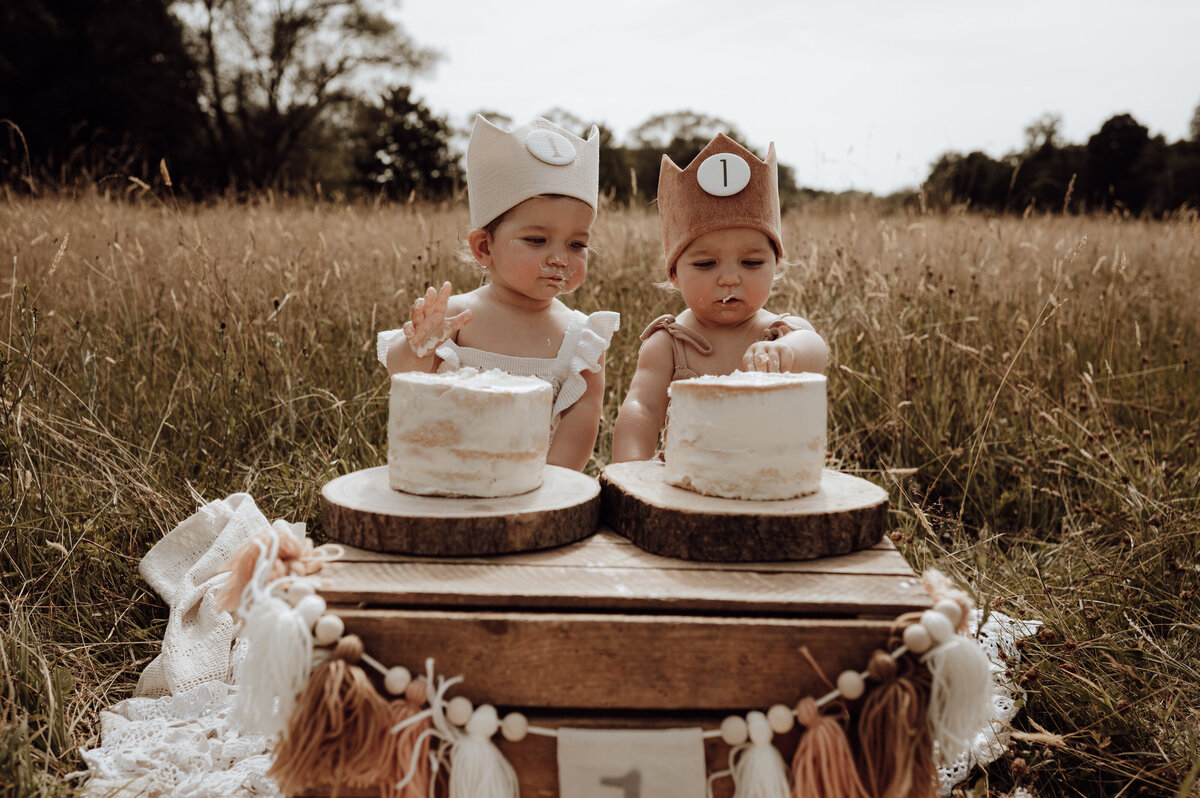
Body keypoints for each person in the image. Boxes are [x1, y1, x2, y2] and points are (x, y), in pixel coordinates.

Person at [377, 116, 619, 471]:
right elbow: (402, 375)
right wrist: (416, 348)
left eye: (577, 243)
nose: (559, 258)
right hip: (443, 475)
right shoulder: (457, 318)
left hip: (533, 485)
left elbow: (582, 416)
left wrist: (553, 487)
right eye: (537, 240)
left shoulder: (580, 339)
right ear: (484, 248)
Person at [611, 133, 827, 463]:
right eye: (705, 264)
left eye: (752, 263)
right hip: (689, 481)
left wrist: (786, 352)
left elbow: (815, 350)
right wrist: (629, 473)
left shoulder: (778, 332)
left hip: (771, 482)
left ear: (775, 264)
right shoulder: (670, 344)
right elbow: (643, 407)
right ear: (674, 273)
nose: (729, 278)